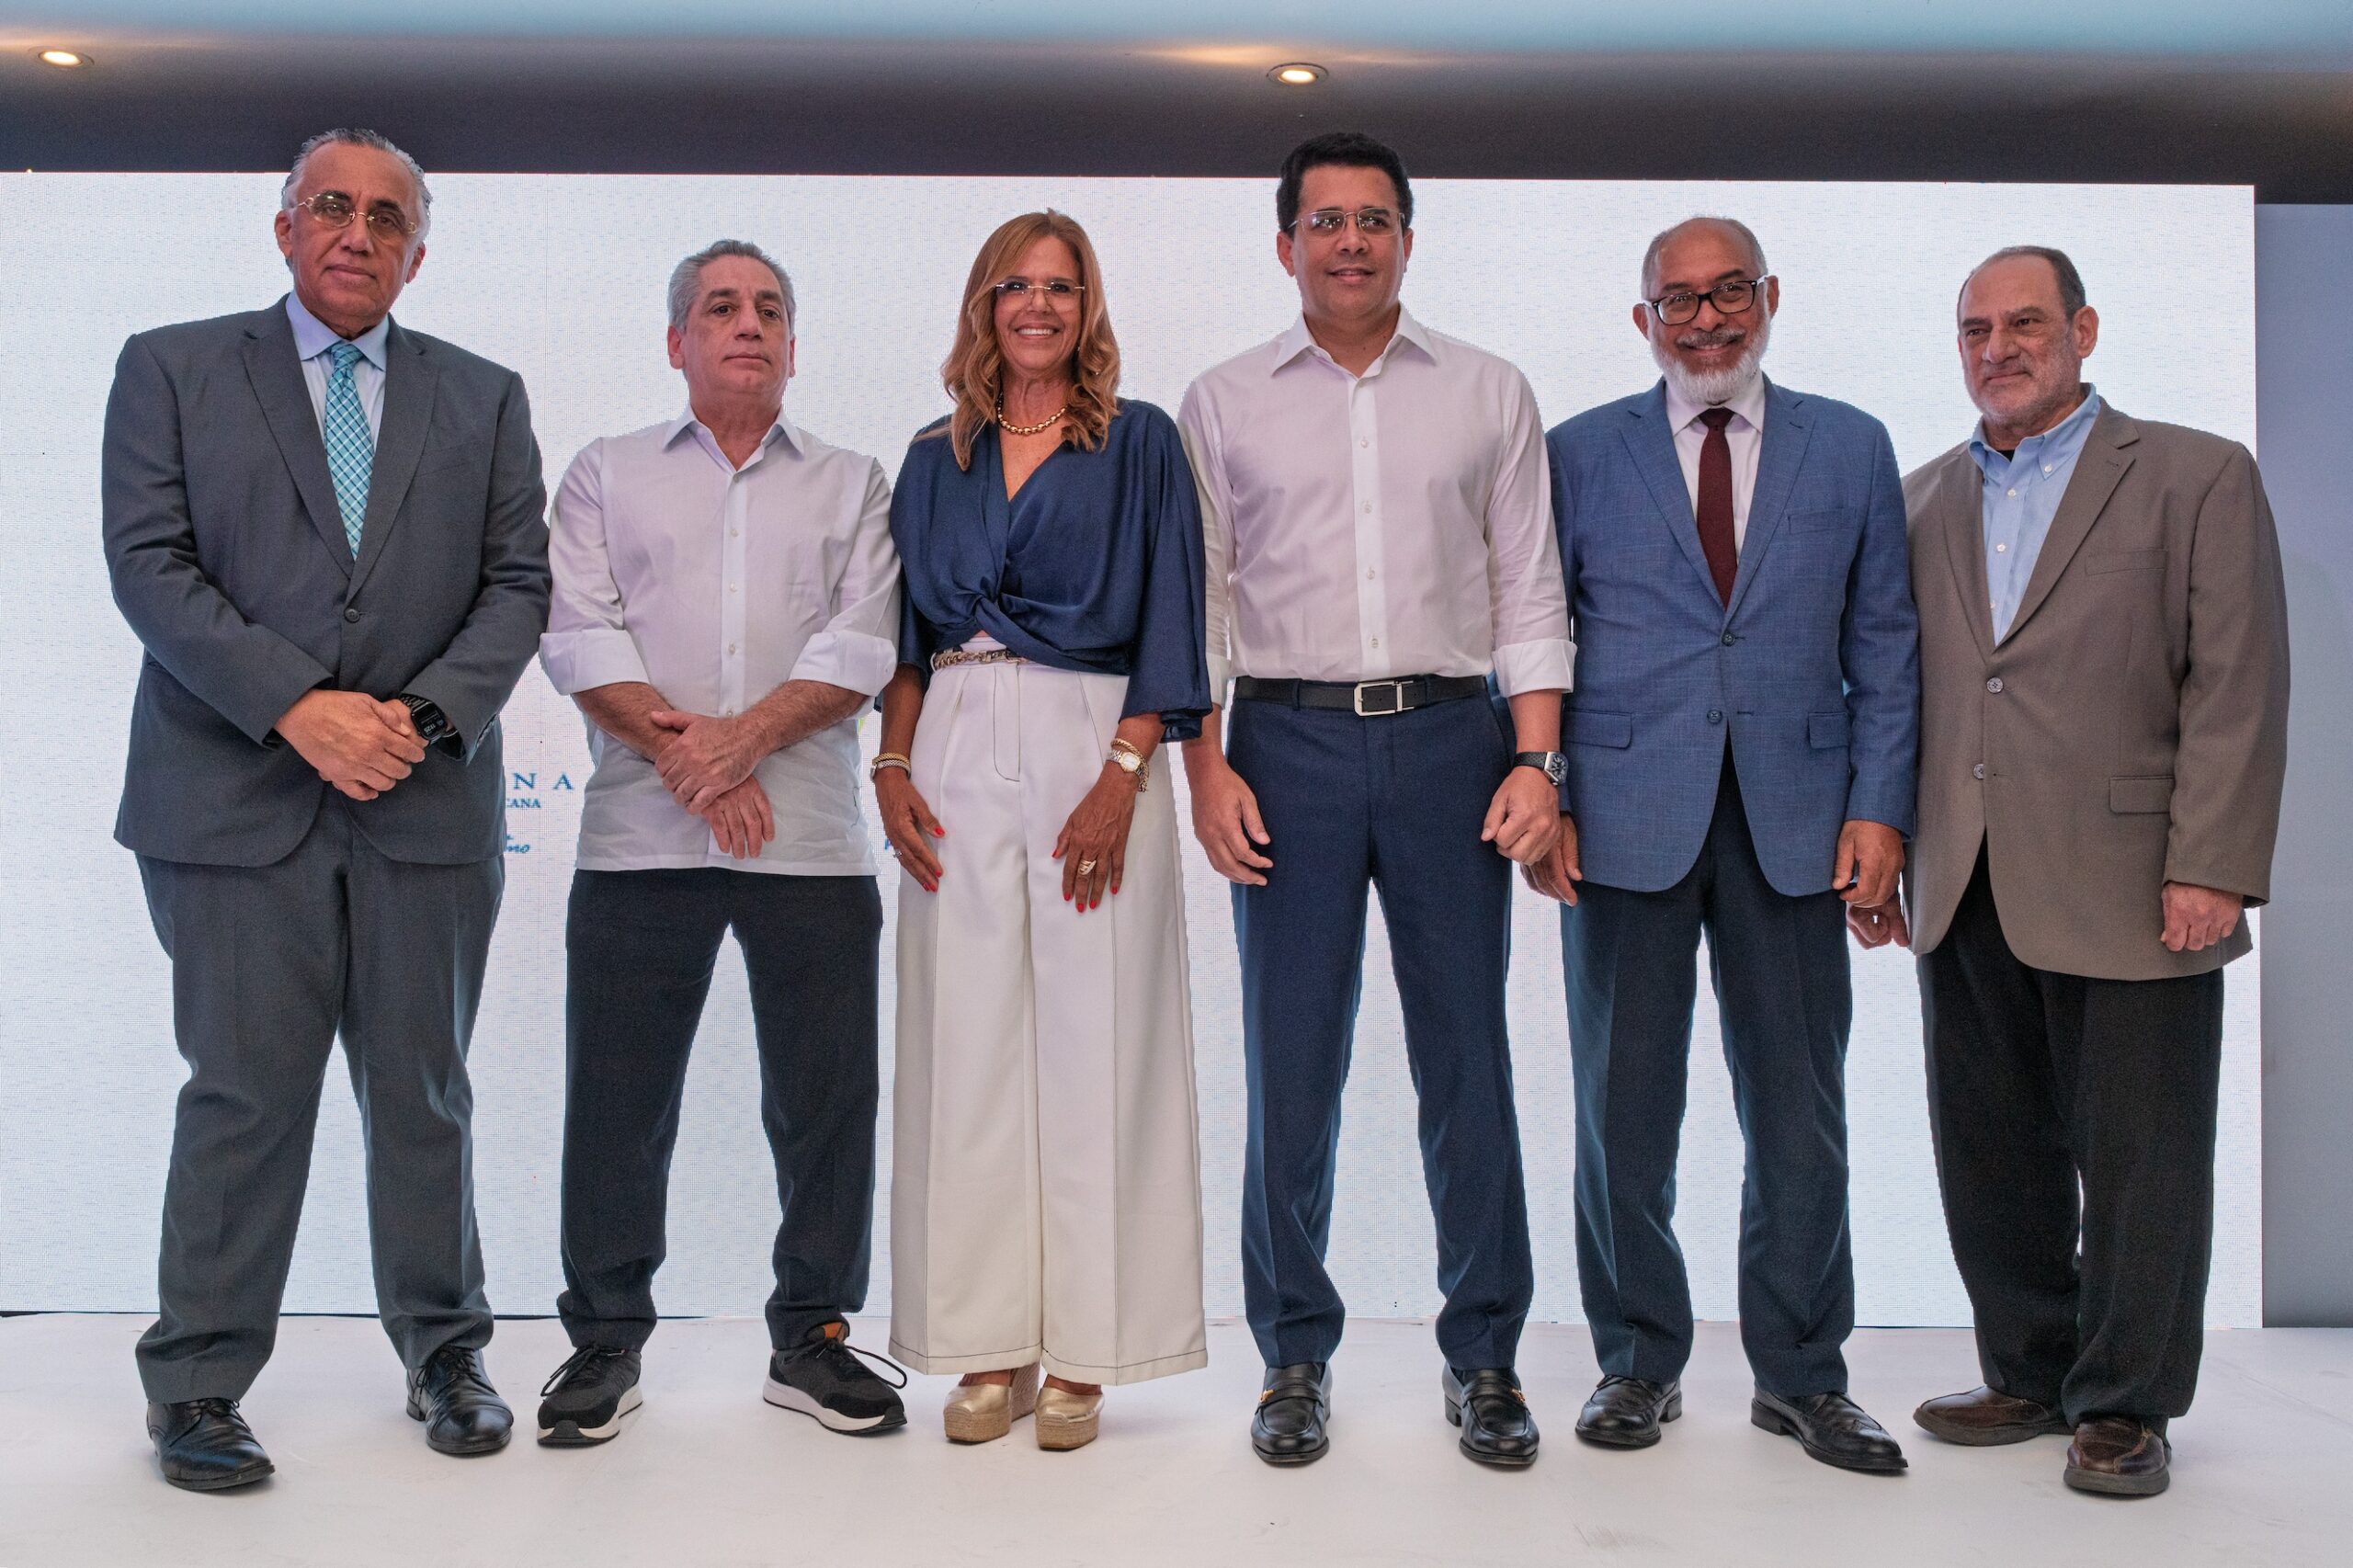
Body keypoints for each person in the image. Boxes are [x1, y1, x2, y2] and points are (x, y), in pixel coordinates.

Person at [102, 128, 550, 1489]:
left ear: (419, 251)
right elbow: (149, 564)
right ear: (285, 226)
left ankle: (446, 1354)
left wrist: (419, 721)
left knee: (426, 1093)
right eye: (334, 207)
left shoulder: (484, 396)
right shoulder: (172, 368)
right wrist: (300, 706)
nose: (360, 233)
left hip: (425, 801)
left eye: (389, 217)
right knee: (243, 1095)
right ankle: (196, 1382)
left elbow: (517, 586)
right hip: (231, 804)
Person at [1860, 246, 2288, 1498]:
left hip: (2139, 878)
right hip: (1965, 876)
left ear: (2084, 330)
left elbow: (2237, 681)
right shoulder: (1920, 497)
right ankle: (2031, 1368)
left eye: (2025, 323)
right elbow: (1894, 690)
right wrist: (1883, 845)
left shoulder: (2197, 475)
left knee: (2145, 1157)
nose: (1998, 348)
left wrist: (2213, 863)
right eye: (1975, 330)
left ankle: (2126, 1401)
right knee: (1990, 1145)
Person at [1179, 131, 1571, 1470]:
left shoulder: (1489, 390)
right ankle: (1293, 1353)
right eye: (1326, 221)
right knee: (1291, 1062)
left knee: (1468, 1054)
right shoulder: (1223, 401)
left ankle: (1486, 1354)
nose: (1350, 242)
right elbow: (1202, 603)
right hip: (1282, 745)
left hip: (1454, 743)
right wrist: (1205, 766)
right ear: (1286, 242)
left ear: (1408, 236)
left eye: (1374, 220)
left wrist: (1536, 761)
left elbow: (1528, 589)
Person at [1537, 217, 1919, 1473]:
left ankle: (1802, 1376)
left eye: (1729, 293)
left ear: (1771, 296)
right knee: (1623, 1110)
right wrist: (1545, 793)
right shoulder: (1576, 452)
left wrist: (1880, 808)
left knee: (1800, 1112)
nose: (1706, 320)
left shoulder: (1851, 445)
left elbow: (1886, 644)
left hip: (1799, 824)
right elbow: (1533, 632)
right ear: (1643, 318)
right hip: (1618, 821)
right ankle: (1637, 1359)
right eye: (1680, 300)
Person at [533, 241, 907, 1446]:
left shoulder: (854, 482)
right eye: (720, 307)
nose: (748, 324)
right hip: (638, 842)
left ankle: (814, 1337)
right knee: (618, 1101)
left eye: (769, 309)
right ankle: (604, 1342)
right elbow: (579, 635)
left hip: (811, 843)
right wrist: (697, 767)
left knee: (825, 1103)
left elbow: (864, 645)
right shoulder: (605, 472)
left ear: (794, 346)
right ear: (676, 341)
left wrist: (736, 745)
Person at [880, 210, 1211, 1451]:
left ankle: (1088, 1347)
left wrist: (1126, 773)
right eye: (1014, 285)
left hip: (1094, 739)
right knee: (965, 1041)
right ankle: (988, 1343)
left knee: (1099, 1037)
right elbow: (903, 642)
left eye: (1060, 287)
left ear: (1089, 307)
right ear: (984, 303)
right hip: (954, 738)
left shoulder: (1140, 441)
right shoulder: (932, 457)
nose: (1037, 305)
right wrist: (892, 765)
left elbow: (1175, 615)